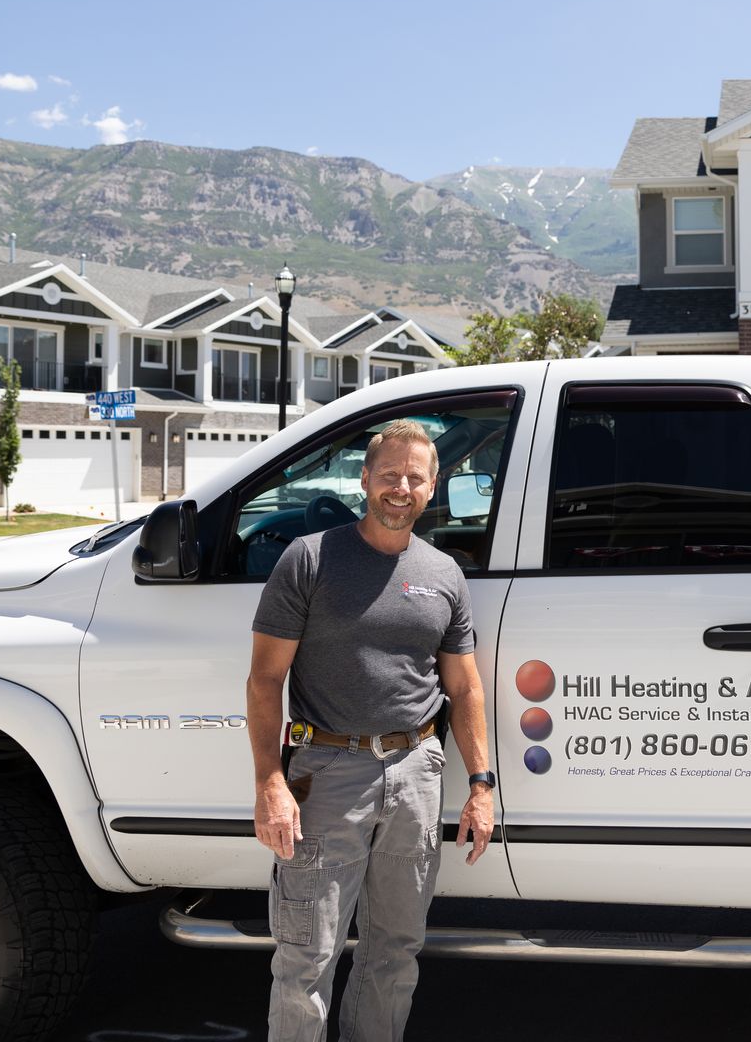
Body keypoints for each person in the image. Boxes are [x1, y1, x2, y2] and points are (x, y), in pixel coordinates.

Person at [247, 418, 496, 1042]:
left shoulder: (443, 574)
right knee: (308, 956)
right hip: (327, 774)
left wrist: (482, 784)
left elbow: (464, 687)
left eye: (415, 478)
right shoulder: (310, 559)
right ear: (364, 479)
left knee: (395, 953)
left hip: (415, 773)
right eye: (389, 475)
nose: (401, 488)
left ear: (433, 487)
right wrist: (270, 784)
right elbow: (263, 681)